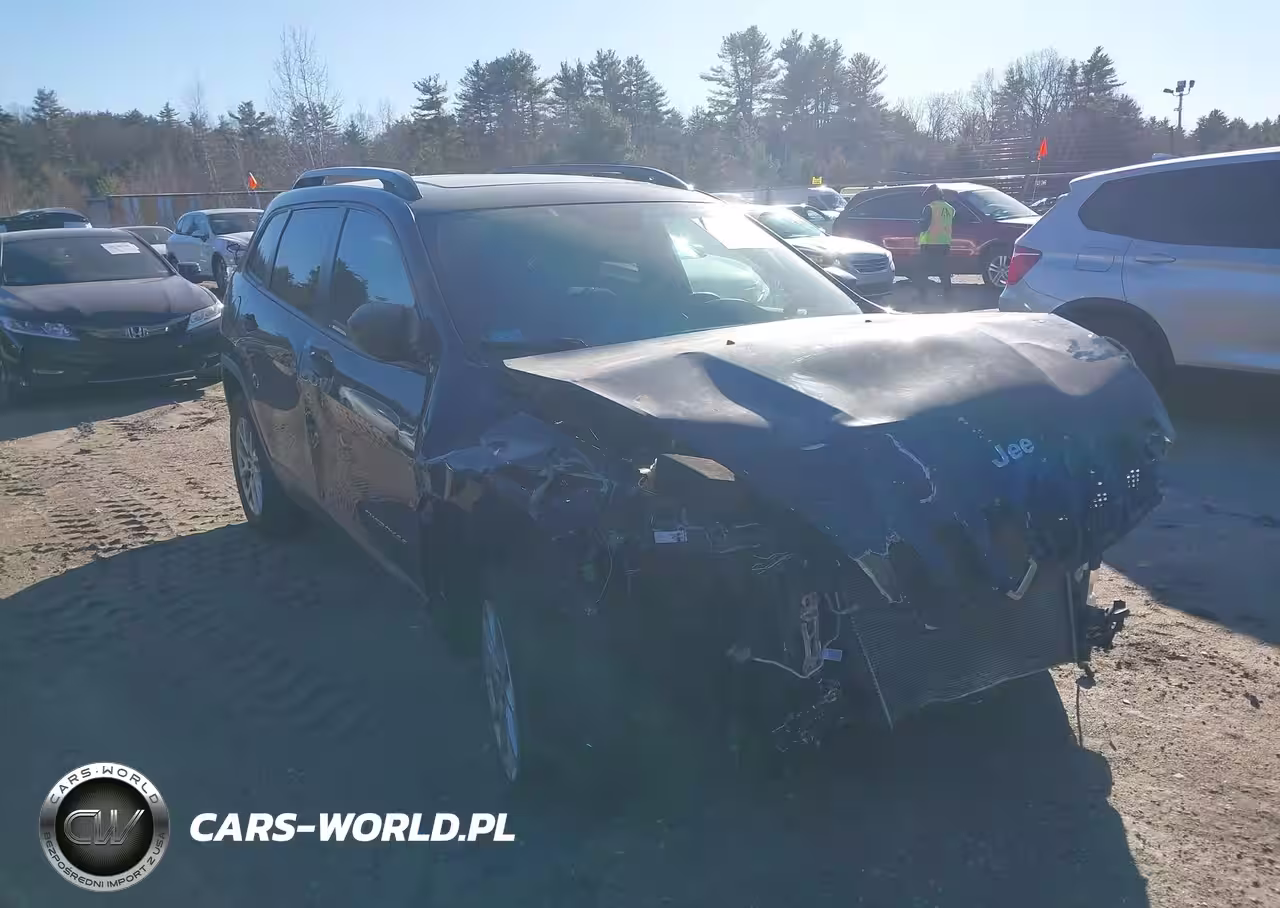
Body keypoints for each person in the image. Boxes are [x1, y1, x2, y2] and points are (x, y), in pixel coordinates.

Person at [912, 185, 955, 298]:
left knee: (923, 270)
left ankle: (922, 294)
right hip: (945, 242)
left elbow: (924, 226)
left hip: (929, 242)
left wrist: (917, 225)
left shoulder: (930, 207)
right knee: (944, 270)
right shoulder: (950, 208)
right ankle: (948, 292)